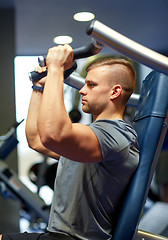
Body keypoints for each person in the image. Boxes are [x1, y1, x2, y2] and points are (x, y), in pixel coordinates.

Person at [1, 44, 139, 240]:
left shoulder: (117, 135)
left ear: (114, 92)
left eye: (91, 85)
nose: (82, 90)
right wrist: (39, 87)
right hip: (57, 236)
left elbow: (53, 135)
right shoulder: (93, 136)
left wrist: (56, 68)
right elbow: (37, 140)